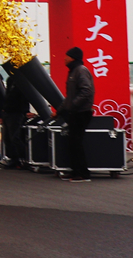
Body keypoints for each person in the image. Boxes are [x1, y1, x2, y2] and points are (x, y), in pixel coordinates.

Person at [58, 46, 95, 182]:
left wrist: (73, 106)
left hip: (81, 112)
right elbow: (69, 96)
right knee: (72, 142)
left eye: (66, 56)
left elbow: (86, 91)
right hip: (74, 112)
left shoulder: (81, 70)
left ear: (73, 57)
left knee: (76, 142)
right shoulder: (73, 71)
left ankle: (82, 174)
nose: (64, 58)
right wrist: (60, 111)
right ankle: (75, 171)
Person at [1, 66, 32, 169]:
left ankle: (24, 159)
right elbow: (7, 97)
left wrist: (25, 111)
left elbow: (25, 98)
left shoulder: (21, 81)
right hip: (8, 112)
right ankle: (14, 159)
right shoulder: (10, 80)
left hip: (16, 113)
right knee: (7, 138)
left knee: (15, 137)